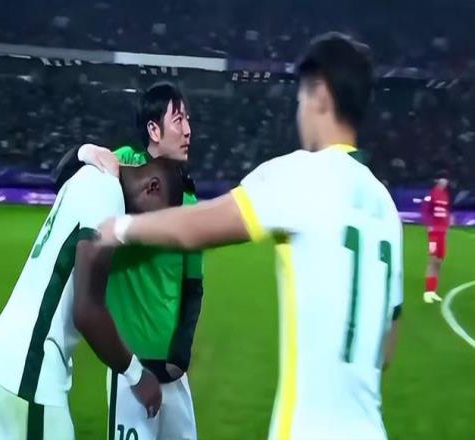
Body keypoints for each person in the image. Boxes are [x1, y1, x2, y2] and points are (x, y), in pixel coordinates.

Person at [99, 32, 404, 440]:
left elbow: (199, 227)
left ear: (320, 95)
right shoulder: (386, 206)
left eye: (301, 97)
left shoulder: (301, 173)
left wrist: (121, 228)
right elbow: (386, 346)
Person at [0, 158, 184, 439]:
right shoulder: (108, 199)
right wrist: (137, 376)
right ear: (152, 187)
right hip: (33, 367)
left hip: (9, 357)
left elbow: (61, 169)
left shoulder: (89, 174)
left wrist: (81, 150)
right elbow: (88, 312)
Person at [54, 82, 203, 440]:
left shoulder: (188, 197)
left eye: (188, 120)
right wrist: (86, 151)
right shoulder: (125, 164)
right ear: (154, 129)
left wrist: (179, 357)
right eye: (178, 120)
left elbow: (192, 286)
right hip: (130, 371)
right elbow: (63, 178)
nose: (188, 130)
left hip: (173, 374)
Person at [422, 177, 450, 303]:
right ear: (438, 181)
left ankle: (433, 290)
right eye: (443, 180)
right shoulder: (431, 194)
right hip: (434, 234)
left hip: (442, 233)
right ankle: (428, 291)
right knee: (432, 260)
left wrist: (447, 225)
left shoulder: (445, 195)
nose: (445, 182)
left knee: (439, 261)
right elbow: (425, 210)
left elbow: (445, 211)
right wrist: (429, 224)